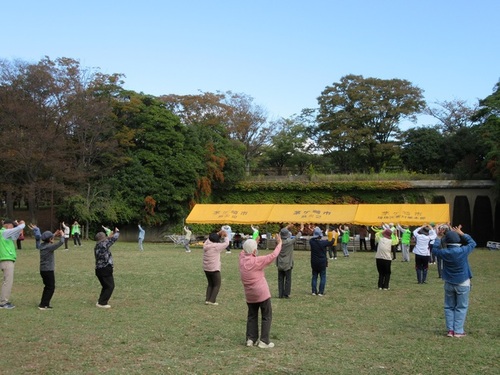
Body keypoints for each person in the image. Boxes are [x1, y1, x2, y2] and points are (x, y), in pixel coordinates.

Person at [432, 224, 476, 338]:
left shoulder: (444, 252)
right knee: (461, 307)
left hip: (449, 282)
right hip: (463, 282)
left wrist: (438, 237)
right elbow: (472, 243)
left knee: (449, 306)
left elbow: (435, 250)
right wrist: (462, 233)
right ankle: (458, 331)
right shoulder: (463, 250)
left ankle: (450, 330)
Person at [239, 234, 282, 349]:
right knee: (266, 316)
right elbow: (273, 255)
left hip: (249, 294)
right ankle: (264, 341)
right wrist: (279, 243)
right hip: (261, 293)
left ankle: (250, 339)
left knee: (252, 316)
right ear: (254, 251)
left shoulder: (242, 259)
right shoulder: (257, 261)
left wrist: (254, 242)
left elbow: (246, 250)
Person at [0, 219, 26, 309]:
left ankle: (3, 300)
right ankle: (3, 302)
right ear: (8, 225)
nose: (12, 228)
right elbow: (20, 227)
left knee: (6, 281)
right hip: (6, 259)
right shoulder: (4, 232)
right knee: (7, 282)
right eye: (12, 226)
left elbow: (15, 236)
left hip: (6, 259)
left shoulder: (5, 233)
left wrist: (18, 228)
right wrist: (21, 224)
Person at [38, 229, 65, 310]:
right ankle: (43, 305)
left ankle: (44, 303)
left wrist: (54, 234)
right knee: (51, 287)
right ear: (50, 239)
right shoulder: (49, 247)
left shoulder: (42, 245)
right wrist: (62, 235)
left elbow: (48, 239)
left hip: (43, 270)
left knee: (47, 287)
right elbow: (61, 242)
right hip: (48, 270)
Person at [94, 227, 120, 308]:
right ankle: (102, 303)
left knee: (105, 286)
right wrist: (117, 232)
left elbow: (107, 240)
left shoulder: (97, 245)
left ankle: (101, 301)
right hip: (105, 269)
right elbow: (114, 239)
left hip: (99, 269)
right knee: (110, 286)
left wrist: (109, 236)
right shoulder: (104, 245)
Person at [276, 223, 303, 298]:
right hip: (287, 263)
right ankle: (286, 294)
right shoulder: (289, 242)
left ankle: (280, 294)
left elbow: (280, 233)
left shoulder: (278, 242)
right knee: (288, 279)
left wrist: (287, 227)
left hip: (280, 263)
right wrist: (301, 228)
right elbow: (297, 236)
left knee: (280, 279)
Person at [203, 230, 229, 305]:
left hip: (206, 268)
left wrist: (218, 233)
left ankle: (207, 299)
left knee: (210, 284)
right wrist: (225, 236)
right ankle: (212, 300)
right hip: (214, 268)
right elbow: (226, 243)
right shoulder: (217, 246)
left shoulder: (206, 245)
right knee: (217, 284)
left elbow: (210, 238)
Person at [309, 227, 334, 296]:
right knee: (323, 276)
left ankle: (314, 291)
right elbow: (331, 242)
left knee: (314, 276)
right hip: (322, 262)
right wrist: (334, 236)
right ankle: (320, 292)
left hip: (314, 262)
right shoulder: (323, 243)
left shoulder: (311, 242)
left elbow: (313, 238)